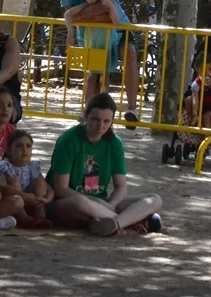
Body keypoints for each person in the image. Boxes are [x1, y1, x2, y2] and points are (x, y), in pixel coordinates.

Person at [44, 93, 163, 235]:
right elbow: (61, 189)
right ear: (86, 115)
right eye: (95, 119)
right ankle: (131, 222)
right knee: (81, 203)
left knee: (154, 199)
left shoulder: (115, 143)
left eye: (107, 121)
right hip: (67, 202)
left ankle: (114, 223)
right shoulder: (69, 140)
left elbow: (121, 187)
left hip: (102, 204)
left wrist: (109, 205)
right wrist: (97, 202)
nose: (100, 126)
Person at [58, 0, 141, 125]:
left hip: (118, 27)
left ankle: (131, 109)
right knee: (93, 75)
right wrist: (100, 15)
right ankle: (90, 113)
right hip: (92, 33)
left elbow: (108, 5)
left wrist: (83, 13)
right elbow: (70, 12)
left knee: (130, 53)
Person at [64, 0, 127, 110]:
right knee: (91, 77)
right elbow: (67, 14)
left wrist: (111, 6)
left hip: (106, 46)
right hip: (92, 46)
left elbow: (117, 23)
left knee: (104, 79)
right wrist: (70, 33)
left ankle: (104, 109)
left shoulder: (106, 5)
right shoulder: (86, 6)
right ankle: (87, 109)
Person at [0, 129, 55, 228]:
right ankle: (24, 219)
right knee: (14, 181)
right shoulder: (5, 166)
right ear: (8, 150)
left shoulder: (32, 167)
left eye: (28, 146)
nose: (24, 150)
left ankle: (39, 216)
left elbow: (49, 189)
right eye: (19, 146)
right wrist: (24, 196)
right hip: (13, 204)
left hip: (31, 203)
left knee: (40, 182)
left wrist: (46, 200)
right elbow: (1, 187)